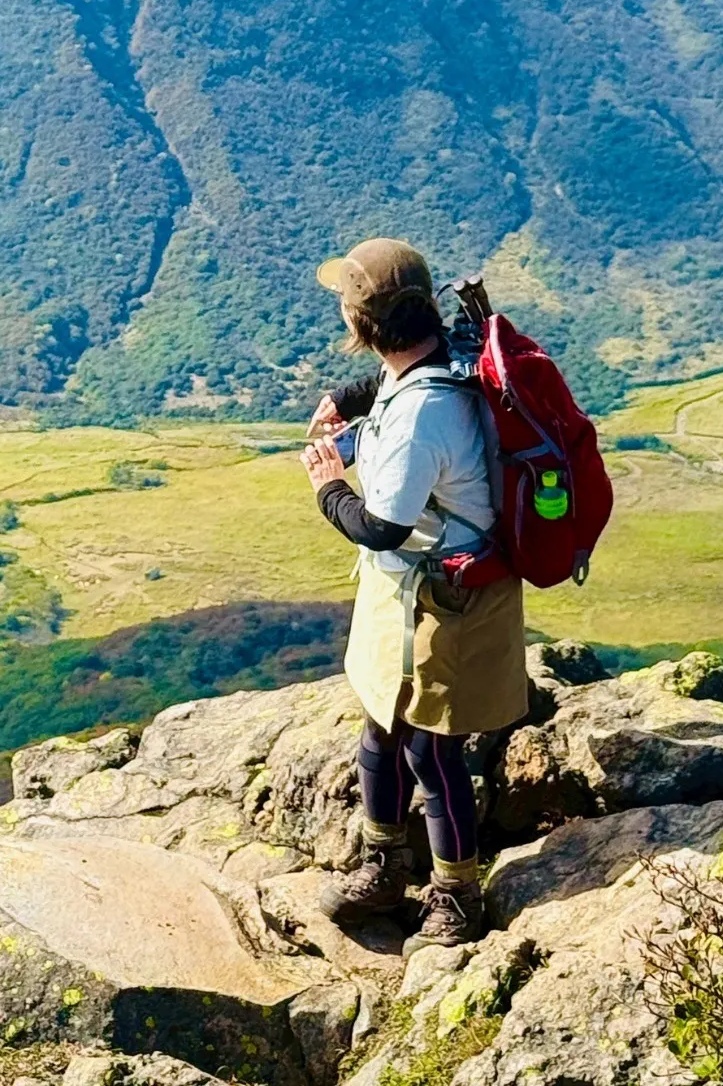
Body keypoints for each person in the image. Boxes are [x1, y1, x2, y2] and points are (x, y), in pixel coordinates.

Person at [301, 237, 528, 951]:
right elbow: (404, 379)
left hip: (447, 600)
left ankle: (456, 895)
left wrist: (327, 487)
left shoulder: (417, 423)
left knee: (431, 749)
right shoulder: (447, 354)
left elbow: (380, 525)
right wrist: (346, 398)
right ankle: (384, 865)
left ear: (360, 326)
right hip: (424, 590)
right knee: (382, 727)